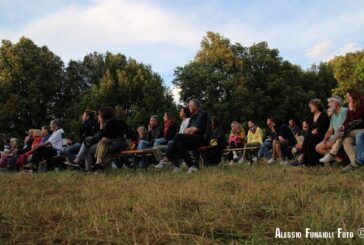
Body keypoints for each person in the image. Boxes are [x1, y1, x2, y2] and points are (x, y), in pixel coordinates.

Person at [80, 106, 136, 171]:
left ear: (104, 114)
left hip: (116, 145)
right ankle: (100, 166)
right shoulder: (113, 121)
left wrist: (101, 124)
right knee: (102, 148)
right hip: (118, 144)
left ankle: (94, 165)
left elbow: (100, 137)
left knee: (99, 144)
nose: (98, 116)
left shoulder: (110, 122)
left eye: (99, 114)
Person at [166, 99, 207, 174]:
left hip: (201, 139)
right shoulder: (192, 118)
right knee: (179, 144)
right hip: (193, 138)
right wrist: (191, 129)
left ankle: (168, 156)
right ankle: (192, 167)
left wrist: (191, 129)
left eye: (190, 105)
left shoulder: (201, 114)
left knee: (178, 136)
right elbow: (186, 131)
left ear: (195, 106)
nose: (188, 107)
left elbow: (196, 129)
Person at [292, 99, 330, 166]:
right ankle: (304, 159)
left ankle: (302, 159)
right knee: (308, 139)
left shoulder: (323, 115)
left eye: (312, 106)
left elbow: (324, 128)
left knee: (308, 139)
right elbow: (310, 131)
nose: (310, 107)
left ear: (317, 106)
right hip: (312, 137)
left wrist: (316, 130)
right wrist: (313, 131)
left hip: (322, 137)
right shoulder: (311, 117)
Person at [316, 96, 348, 162]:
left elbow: (342, 130)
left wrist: (332, 142)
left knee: (332, 144)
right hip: (335, 137)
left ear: (336, 103)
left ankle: (340, 160)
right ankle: (339, 160)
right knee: (318, 147)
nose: (328, 104)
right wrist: (325, 140)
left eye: (330, 102)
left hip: (343, 136)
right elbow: (330, 131)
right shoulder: (333, 116)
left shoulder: (344, 111)